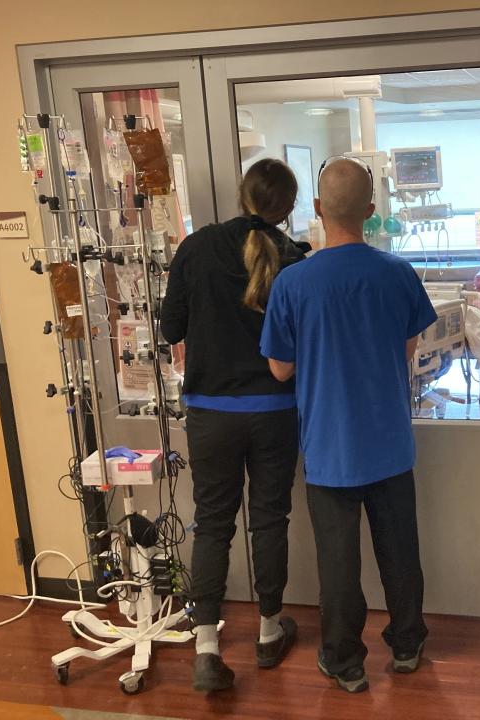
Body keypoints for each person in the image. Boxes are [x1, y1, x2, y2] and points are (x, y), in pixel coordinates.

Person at [260, 157, 436, 694]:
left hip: (330, 448)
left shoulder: (293, 283)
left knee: (339, 563)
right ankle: (407, 646)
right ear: (370, 210)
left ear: (316, 209)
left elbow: (279, 367)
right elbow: (409, 349)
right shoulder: (397, 272)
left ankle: (344, 661)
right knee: (399, 551)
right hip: (388, 443)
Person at [160, 158, 308, 692]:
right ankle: (269, 633)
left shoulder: (196, 248)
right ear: (288, 206)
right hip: (273, 412)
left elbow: (170, 326)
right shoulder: (293, 258)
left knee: (213, 523)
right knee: (269, 520)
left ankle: (205, 646)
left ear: (243, 194)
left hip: (211, 412)